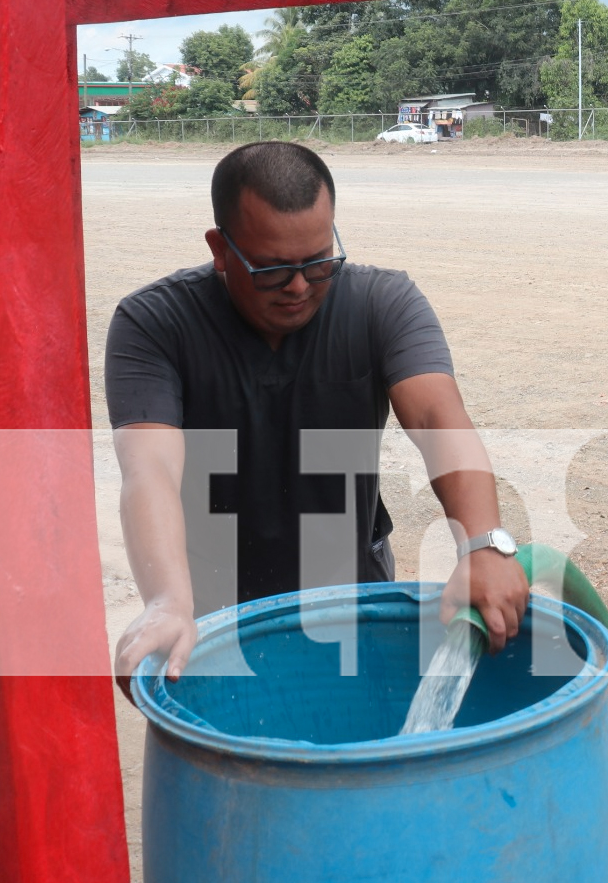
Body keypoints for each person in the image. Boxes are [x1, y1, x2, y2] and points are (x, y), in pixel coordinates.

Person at [107, 141, 529, 688]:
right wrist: (167, 601)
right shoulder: (154, 324)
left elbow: (436, 417)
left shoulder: (382, 302)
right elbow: (151, 469)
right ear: (220, 248)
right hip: (213, 612)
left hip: (351, 595)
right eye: (273, 270)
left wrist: (482, 542)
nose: (300, 286)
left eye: (319, 261)